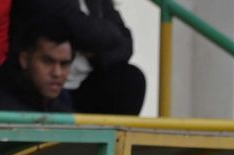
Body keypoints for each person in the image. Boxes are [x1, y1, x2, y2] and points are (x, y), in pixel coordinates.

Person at [9, 0, 143, 114]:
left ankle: (116, 143)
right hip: (37, 86)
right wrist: (103, 39)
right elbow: (82, 31)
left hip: (85, 84)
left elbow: (126, 43)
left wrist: (95, 54)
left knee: (129, 78)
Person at [0, 14, 72, 112]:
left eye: (64, 64)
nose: (57, 73)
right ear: (24, 59)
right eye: (47, 62)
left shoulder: (63, 110)